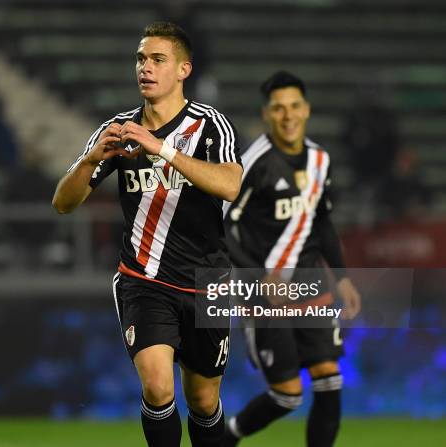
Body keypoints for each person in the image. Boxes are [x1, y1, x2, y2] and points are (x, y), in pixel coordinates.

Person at [52, 22, 243, 447]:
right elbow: (63, 203)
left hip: (207, 280)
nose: (146, 67)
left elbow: (231, 184)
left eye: (158, 59)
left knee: (204, 399)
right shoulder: (118, 130)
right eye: (141, 58)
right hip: (143, 278)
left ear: (183, 70)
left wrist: (163, 150)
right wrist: (89, 161)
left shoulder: (210, 126)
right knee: (158, 388)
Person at [221, 71, 362, 447]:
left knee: (330, 380)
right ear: (267, 114)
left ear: (307, 110)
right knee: (287, 395)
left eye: (294, 106)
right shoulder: (253, 162)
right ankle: (227, 435)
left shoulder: (320, 160)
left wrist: (343, 278)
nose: (288, 115)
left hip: (311, 285)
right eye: (278, 108)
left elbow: (322, 221)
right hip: (264, 293)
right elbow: (223, 224)